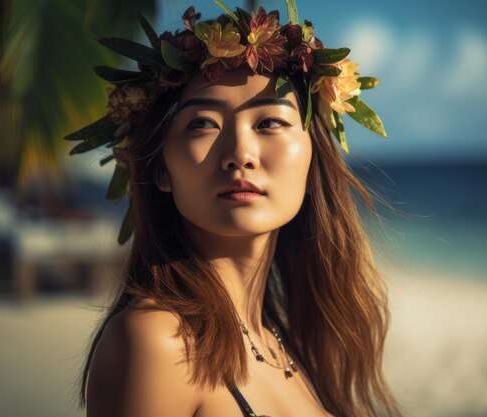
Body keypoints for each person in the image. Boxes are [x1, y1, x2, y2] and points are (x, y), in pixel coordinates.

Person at [66, 2, 400, 416]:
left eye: (269, 123)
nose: (240, 154)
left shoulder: (286, 343)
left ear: (312, 156)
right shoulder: (158, 342)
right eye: (203, 123)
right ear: (161, 169)